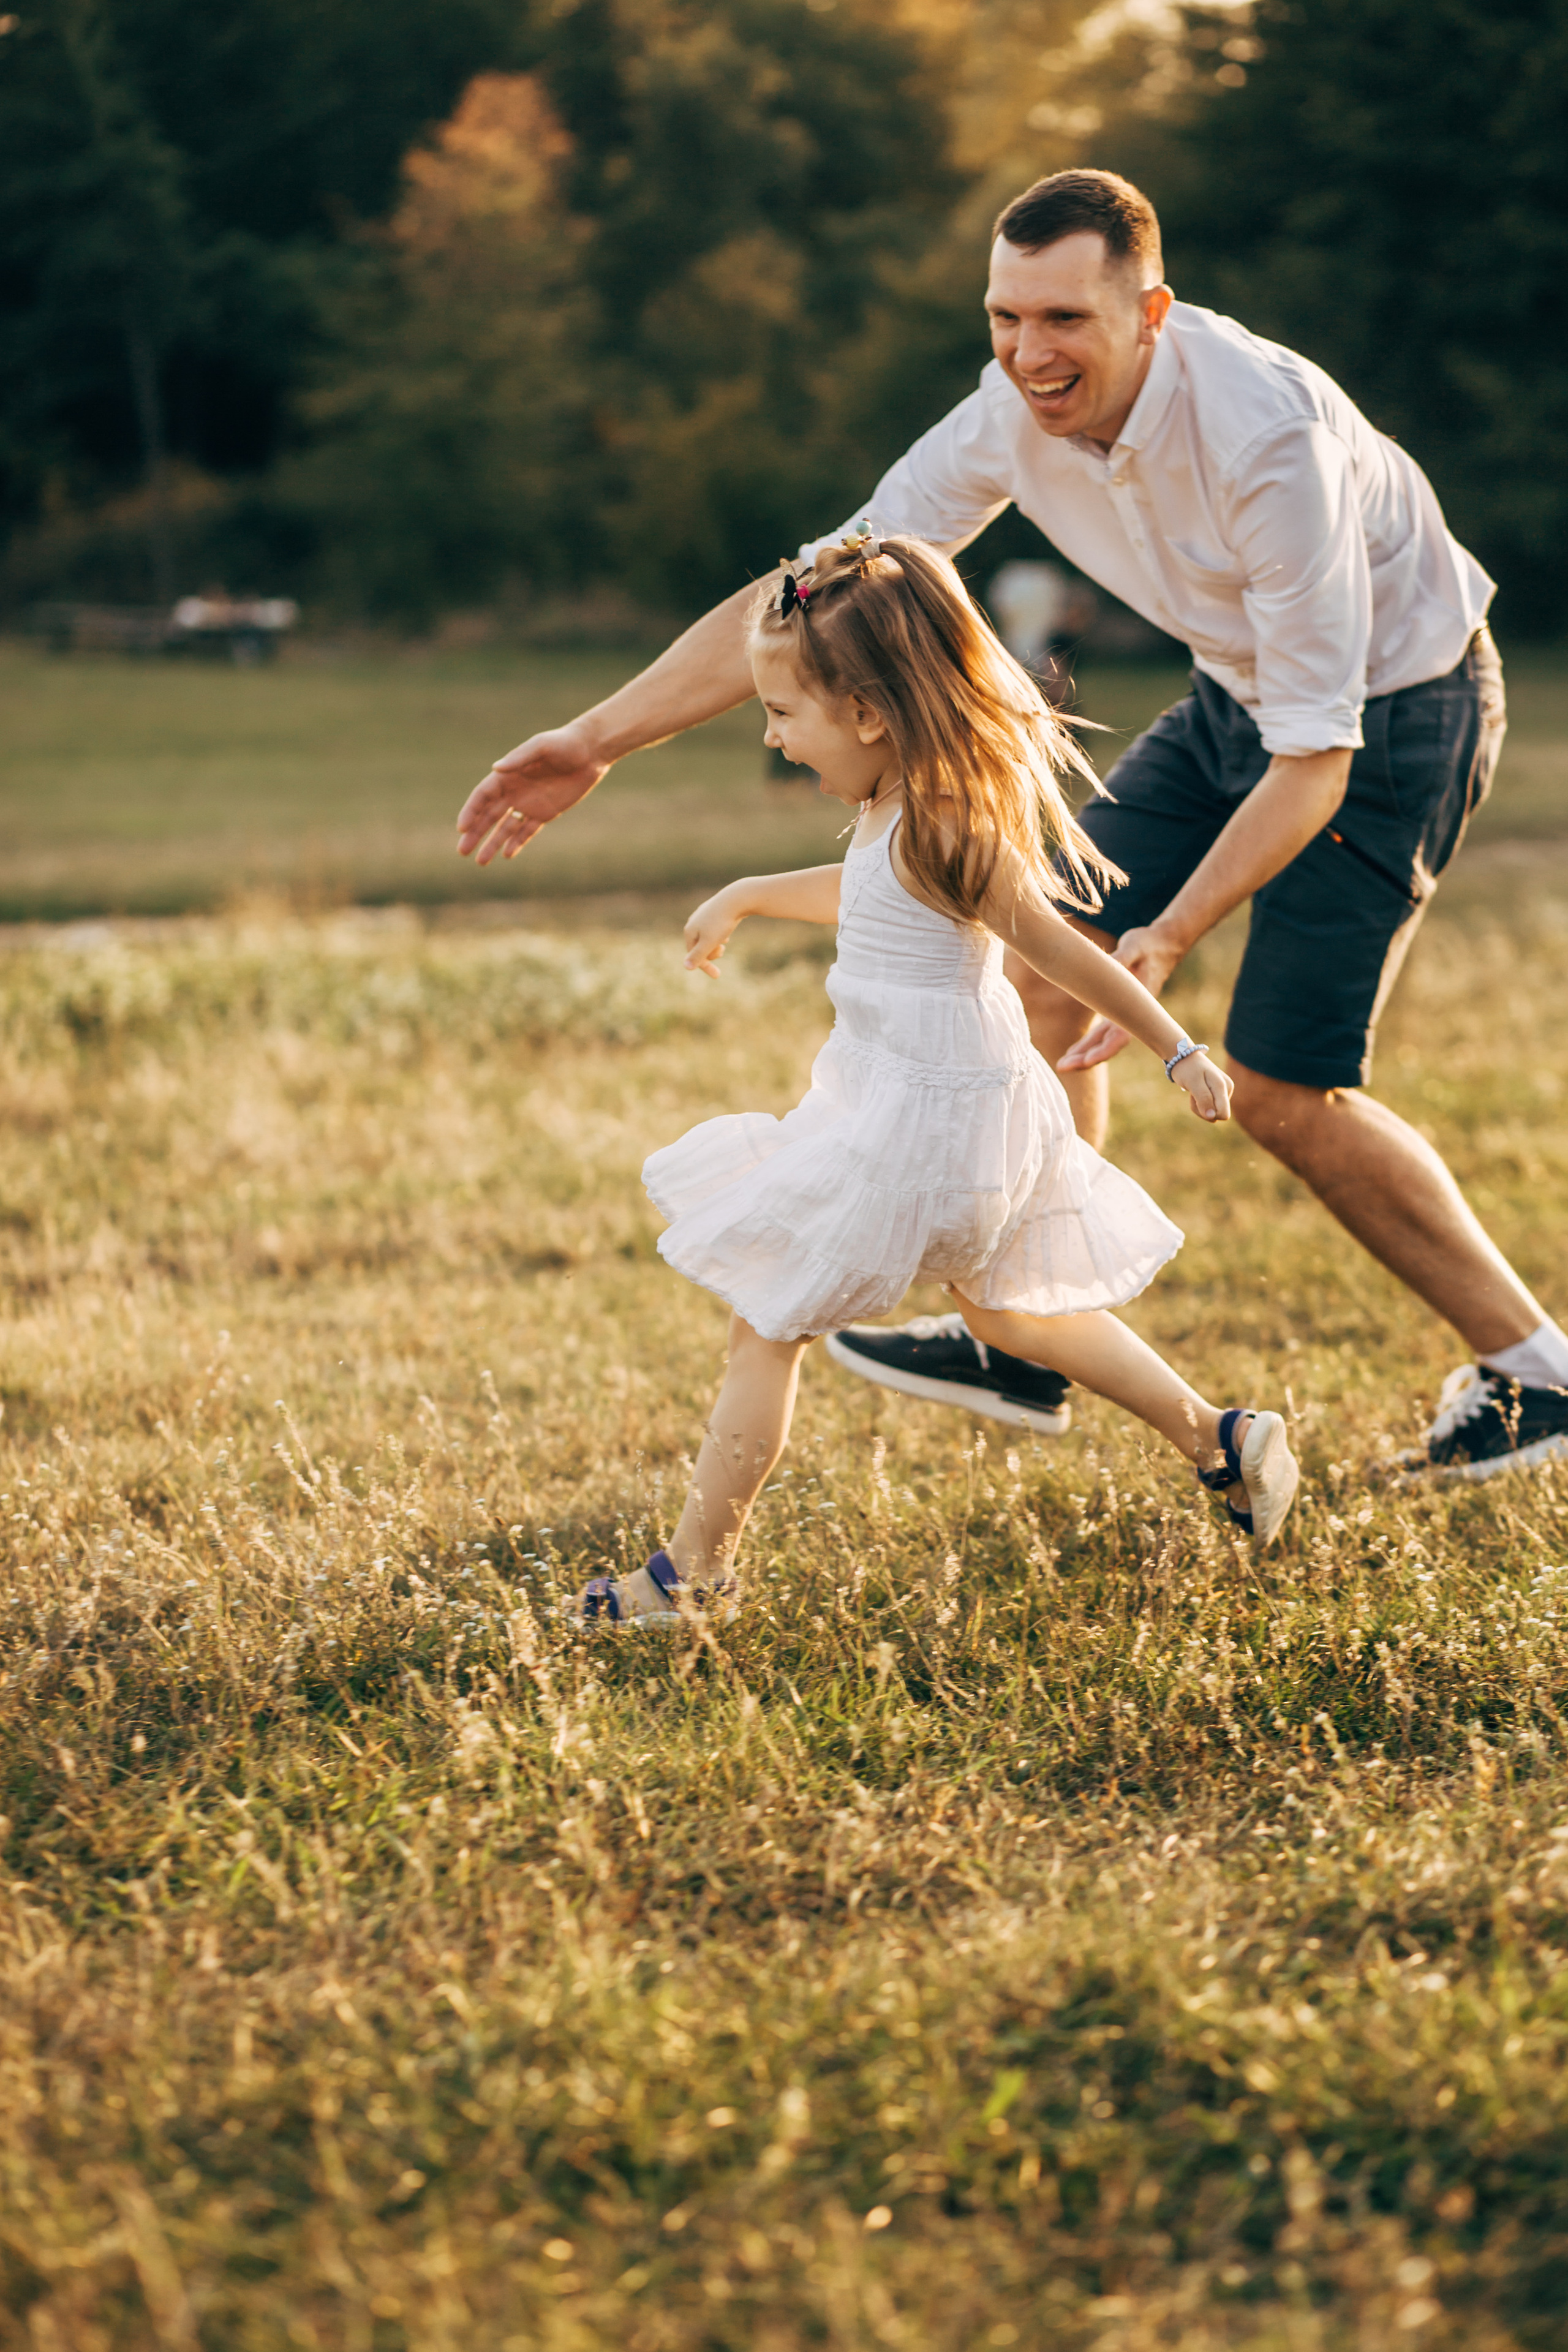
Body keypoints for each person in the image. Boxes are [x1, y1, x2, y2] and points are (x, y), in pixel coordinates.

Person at [457, 167, 1559, 1487]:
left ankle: (1534, 1377)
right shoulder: (1004, 413)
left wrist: (1165, 932)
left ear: (1148, 311)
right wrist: (593, 741)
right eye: (1003, 318)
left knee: (1276, 1087)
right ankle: (1025, 1331)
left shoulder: (1269, 440)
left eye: (1064, 321)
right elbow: (809, 598)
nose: (1029, 354)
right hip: (1235, 692)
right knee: (1037, 960)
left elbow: (1314, 761)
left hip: (1393, 708)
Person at [570, 533, 1298, 1623]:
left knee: (768, 1321)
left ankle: (693, 1577)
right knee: (1014, 1316)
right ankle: (1222, 1439)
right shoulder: (901, 813)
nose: (772, 737)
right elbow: (872, 896)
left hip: (915, 1124)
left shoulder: (948, 824)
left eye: (781, 715)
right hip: (948, 1116)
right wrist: (755, 889)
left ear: (867, 713)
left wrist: (1178, 1048)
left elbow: (1064, 952)